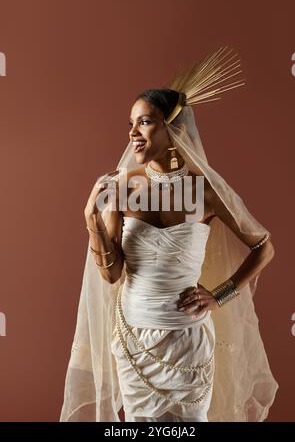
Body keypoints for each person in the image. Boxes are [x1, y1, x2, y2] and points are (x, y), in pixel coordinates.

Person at [59, 47, 279, 422]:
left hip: (188, 339)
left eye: (144, 123)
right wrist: (90, 219)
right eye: (130, 124)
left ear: (172, 127)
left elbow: (263, 247)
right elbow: (112, 275)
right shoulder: (125, 187)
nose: (132, 134)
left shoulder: (205, 191)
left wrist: (219, 294)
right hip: (132, 338)